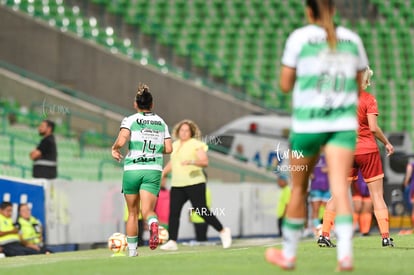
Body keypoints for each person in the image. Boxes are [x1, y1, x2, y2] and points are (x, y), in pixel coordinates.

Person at [264, 0, 368, 271]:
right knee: (339, 188)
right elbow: (359, 86)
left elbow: (285, 85)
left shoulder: (298, 38)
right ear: (334, 10)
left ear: (309, 11)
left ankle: (289, 255)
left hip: (307, 126)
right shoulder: (353, 40)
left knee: (298, 189)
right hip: (342, 124)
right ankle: (345, 255)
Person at [317, 65, 395, 248]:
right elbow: (373, 128)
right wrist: (387, 143)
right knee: (377, 195)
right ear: (366, 80)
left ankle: (324, 234)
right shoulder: (369, 99)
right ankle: (385, 237)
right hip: (367, 150)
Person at [111, 83, 172, 257]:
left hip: (133, 169)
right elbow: (169, 148)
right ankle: (153, 223)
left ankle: (132, 252)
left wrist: (114, 149)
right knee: (147, 211)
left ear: (135, 104)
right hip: (153, 170)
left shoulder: (130, 120)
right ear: (152, 105)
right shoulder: (161, 122)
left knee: (132, 212)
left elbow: (122, 141)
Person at [160, 120, 232, 251]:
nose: (184, 132)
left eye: (187, 130)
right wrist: (163, 173)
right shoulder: (174, 145)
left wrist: (191, 161)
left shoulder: (196, 144)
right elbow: (173, 163)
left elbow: (204, 161)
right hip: (177, 184)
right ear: (178, 131)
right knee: (174, 213)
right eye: (182, 130)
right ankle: (172, 241)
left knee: (201, 210)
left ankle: (223, 231)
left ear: (191, 132)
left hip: (195, 182)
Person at [309, 154, 330, 237]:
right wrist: (309, 173)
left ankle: (326, 230)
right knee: (315, 209)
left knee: (327, 209)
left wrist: (330, 168)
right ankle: (317, 230)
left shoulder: (329, 156)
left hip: (327, 187)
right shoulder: (312, 156)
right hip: (315, 187)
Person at [351, 171, 373, 236]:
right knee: (357, 208)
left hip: (368, 188)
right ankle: (350, 230)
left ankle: (365, 231)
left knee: (367, 209)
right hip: (357, 189)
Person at [276, 173, 291, 238]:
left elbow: (287, 204)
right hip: (281, 215)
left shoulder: (287, 190)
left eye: (279, 181)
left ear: (283, 181)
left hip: (283, 216)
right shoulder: (284, 190)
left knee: (283, 235)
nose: (278, 183)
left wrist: (284, 215)